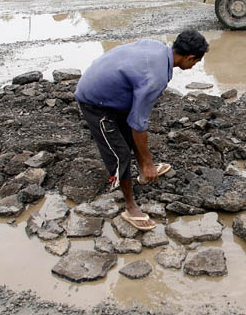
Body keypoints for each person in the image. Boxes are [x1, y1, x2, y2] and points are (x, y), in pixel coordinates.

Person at [75, 29, 209, 231]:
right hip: (95, 101)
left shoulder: (158, 48)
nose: (194, 66)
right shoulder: (156, 77)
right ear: (190, 57)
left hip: (114, 93)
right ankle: (130, 206)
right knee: (119, 154)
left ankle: (144, 174)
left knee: (130, 137)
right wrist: (147, 162)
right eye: (196, 62)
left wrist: (147, 163)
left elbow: (135, 121)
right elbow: (139, 124)